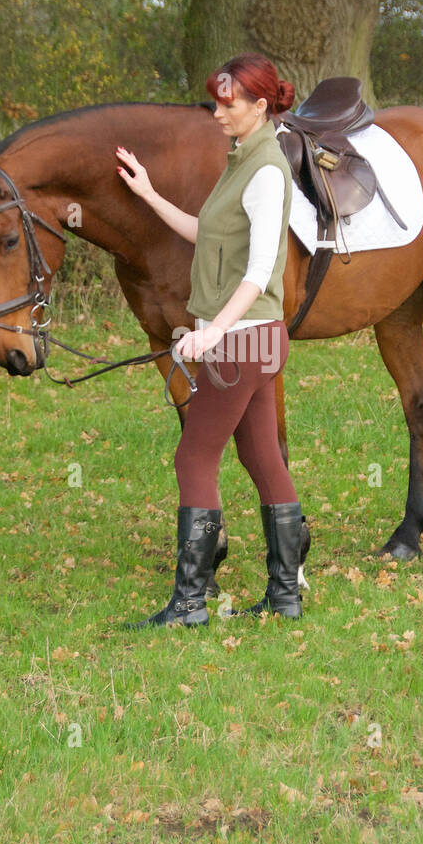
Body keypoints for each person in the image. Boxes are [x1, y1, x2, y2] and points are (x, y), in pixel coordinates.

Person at [114, 52, 304, 629]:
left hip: (244, 341)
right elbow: (208, 233)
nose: (218, 113)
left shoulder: (268, 171)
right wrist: (148, 194)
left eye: (229, 104)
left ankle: (191, 602)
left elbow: (261, 268)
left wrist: (213, 333)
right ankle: (284, 595)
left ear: (260, 106)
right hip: (253, 341)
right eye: (217, 102)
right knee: (260, 453)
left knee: (194, 454)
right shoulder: (240, 162)